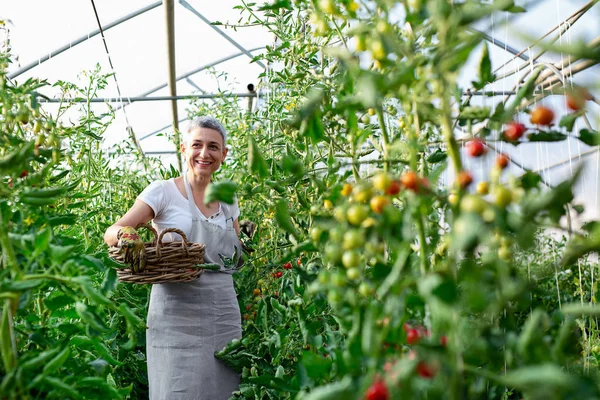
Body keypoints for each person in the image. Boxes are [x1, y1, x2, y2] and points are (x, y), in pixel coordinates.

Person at [104, 116, 243, 400]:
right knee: (175, 388)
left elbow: (237, 249)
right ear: (184, 149)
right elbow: (114, 230)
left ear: (224, 154)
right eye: (197, 145)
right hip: (176, 312)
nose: (205, 154)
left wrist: (248, 239)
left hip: (223, 310)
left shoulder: (229, 199)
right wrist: (128, 237)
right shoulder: (163, 191)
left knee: (226, 388)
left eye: (214, 147)